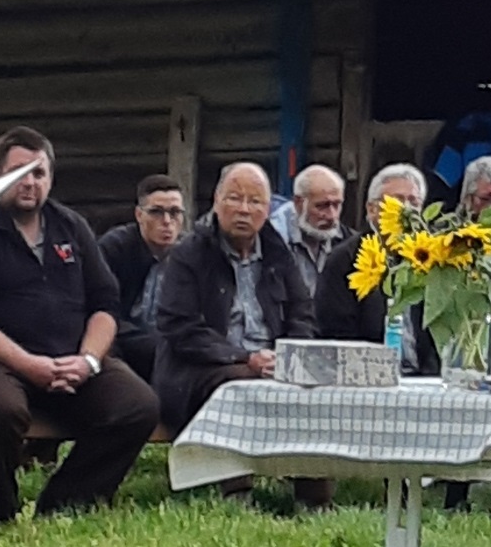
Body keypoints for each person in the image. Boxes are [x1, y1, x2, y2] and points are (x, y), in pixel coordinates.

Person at [0, 126, 159, 522]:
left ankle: (63, 505)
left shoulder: (72, 227)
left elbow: (106, 303)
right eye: (20, 171)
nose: (31, 182)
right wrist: (27, 364)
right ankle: (4, 510)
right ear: (0, 173)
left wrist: (88, 360)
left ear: (51, 178)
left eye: (39, 173)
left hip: (72, 360)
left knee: (138, 406)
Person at [154, 163, 327, 507]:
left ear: (269, 210)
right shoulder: (190, 253)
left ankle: (315, 499)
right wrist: (243, 357)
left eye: (255, 202)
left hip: (272, 362)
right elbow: (179, 326)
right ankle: (237, 492)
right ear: (216, 201)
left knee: (314, 387)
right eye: (234, 198)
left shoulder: (279, 254)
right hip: (202, 367)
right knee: (234, 386)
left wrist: (289, 355)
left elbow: (302, 314)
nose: (244, 210)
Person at [316, 163, 440, 377]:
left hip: (425, 378)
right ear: (371, 209)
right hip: (367, 378)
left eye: (414, 202)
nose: (407, 210)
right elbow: (338, 335)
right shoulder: (344, 259)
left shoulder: (429, 257)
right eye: (398, 200)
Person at [97, 174, 185, 382]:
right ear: (139, 215)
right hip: (121, 340)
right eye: (156, 212)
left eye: (175, 213)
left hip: (171, 343)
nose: (167, 221)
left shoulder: (189, 253)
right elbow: (104, 308)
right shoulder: (115, 247)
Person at [269, 164, 356, 296]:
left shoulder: (348, 241)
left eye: (337, 205)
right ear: (298, 203)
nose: (331, 215)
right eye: (322, 206)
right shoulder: (272, 240)